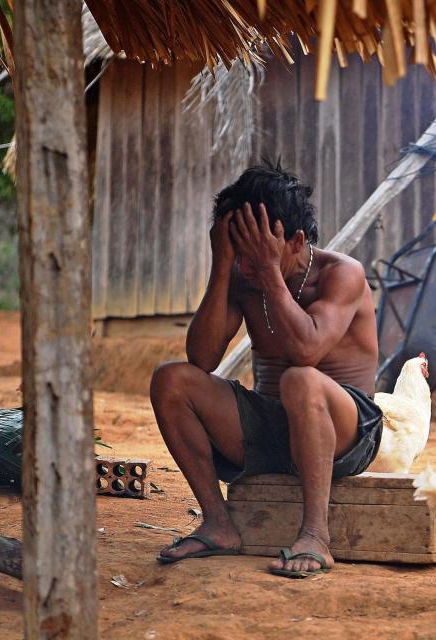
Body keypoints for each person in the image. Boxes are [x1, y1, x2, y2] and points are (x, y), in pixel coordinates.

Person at [150, 161, 381, 578]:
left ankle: (315, 535)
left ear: (294, 240)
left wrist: (270, 272)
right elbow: (201, 361)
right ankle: (218, 524)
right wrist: (222, 266)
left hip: (346, 433)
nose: (248, 265)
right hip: (272, 429)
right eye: (240, 248)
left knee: (300, 378)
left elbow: (308, 349)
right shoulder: (240, 275)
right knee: (171, 380)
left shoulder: (341, 274)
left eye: (257, 250)